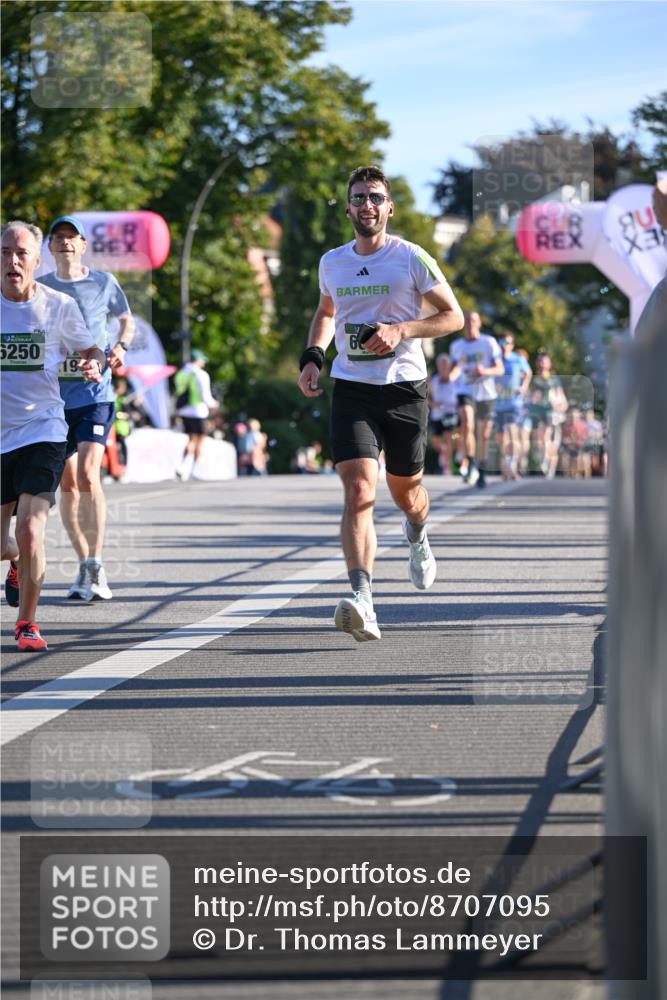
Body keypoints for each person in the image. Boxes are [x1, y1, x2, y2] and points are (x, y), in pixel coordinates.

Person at [298, 164, 464, 642]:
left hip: (404, 388)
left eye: (374, 197)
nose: (366, 205)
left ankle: (417, 532)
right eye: (358, 198)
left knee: (406, 493)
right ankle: (363, 599)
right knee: (357, 490)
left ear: (389, 207)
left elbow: (451, 317)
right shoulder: (332, 262)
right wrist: (313, 355)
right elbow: (327, 311)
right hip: (351, 386)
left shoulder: (411, 257)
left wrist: (402, 329)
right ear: (348, 207)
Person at [1, 221, 105, 650]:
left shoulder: (58, 306)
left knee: (30, 527)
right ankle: (16, 560)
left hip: (44, 428)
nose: (12, 260)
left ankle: (27, 622)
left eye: (21, 252)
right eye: (4, 252)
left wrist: (94, 364)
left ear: (36, 260)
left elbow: (91, 348)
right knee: (9, 543)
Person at [38, 215, 135, 601]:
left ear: (82, 245)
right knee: (67, 482)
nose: (64, 242)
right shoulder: (40, 288)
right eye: (58, 237)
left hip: (96, 394)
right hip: (54, 398)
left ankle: (96, 561)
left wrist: (120, 347)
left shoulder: (103, 283)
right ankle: (84, 563)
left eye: (71, 237)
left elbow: (125, 320)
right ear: (50, 247)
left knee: (89, 476)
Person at [448, 311, 504, 488]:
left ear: (479, 323)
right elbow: (456, 368)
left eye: (473, 321)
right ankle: (471, 462)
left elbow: (500, 369)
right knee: (467, 423)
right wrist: (449, 377)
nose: (470, 324)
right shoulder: (456, 346)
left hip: (486, 393)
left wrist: (484, 371)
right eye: (467, 321)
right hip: (466, 390)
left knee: (484, 435)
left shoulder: (488, 343)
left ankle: (482, 468)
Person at [174, 348, 219, 480]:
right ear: (198, 360)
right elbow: (205, 396)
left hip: (183, 410)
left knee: (190, 438)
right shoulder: (201, 374)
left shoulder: (181, 373)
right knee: (199, 440)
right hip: (198, 411)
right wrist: (214, 404)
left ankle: (182, 467)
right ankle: (193, 470)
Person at [493, 333, 532, 480]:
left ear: (512, 344)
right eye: (501, 342)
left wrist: (523, 387)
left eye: (507, 342)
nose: (504, 345)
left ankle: (513, 465)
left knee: (513, 433)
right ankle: (505, 466)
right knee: (501, 438)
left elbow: (528, 373)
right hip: (498, 404)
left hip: (514, 403)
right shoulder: (495, 360)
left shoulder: (518, 359)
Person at [528, 352, 568, 478]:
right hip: (536, 412)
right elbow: (529, 396)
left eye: (544, 361)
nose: (542, 364)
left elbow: (562, 398)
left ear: (549, 363)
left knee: (547, 437)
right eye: (540, 361)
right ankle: (544, 459)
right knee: (539, 440)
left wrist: (561, 406)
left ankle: (548, 466)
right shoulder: (534, 379)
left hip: (550, 412)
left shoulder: (554, 380)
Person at [428, 353, 460, 475]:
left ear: (449, 366)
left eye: (446, 365)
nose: (443, 367)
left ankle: (447, 463)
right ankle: (444, 451)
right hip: (437, 414)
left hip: (450, 413)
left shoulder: (454, 379)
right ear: (437, 366)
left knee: (449, 436)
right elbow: (427, 398)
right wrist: (432, 404)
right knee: (436, 441)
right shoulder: (433, 380)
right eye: (441, 365)